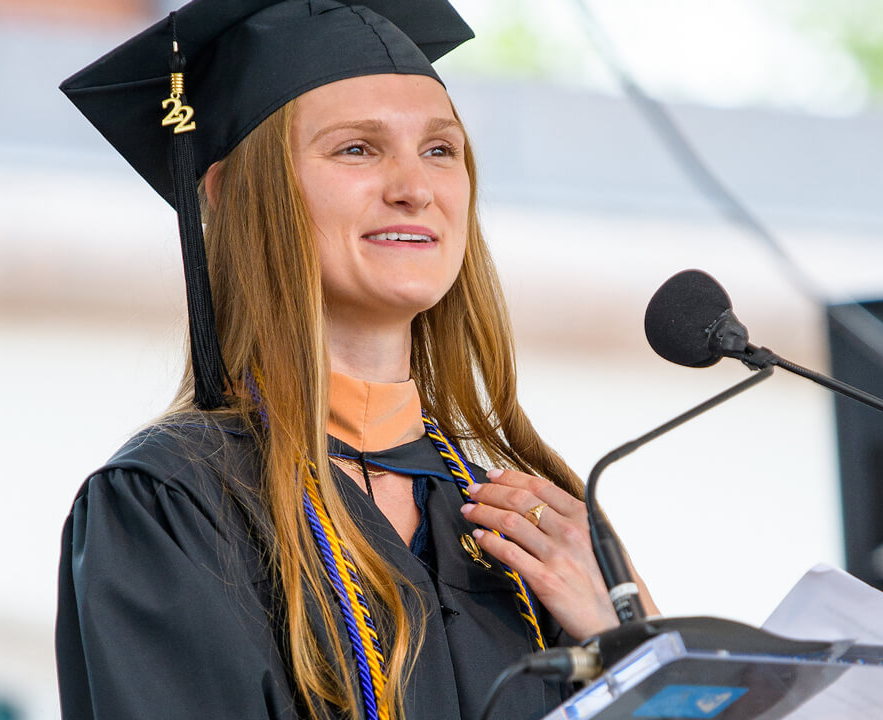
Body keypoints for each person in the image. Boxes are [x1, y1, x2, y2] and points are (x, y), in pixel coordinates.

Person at [55, 1, 657, 719]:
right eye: (357, 149)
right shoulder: (172, 507)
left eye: (441, 150)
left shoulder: (530, 529)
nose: (415, 187)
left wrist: (640, 647)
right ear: (229, 192)